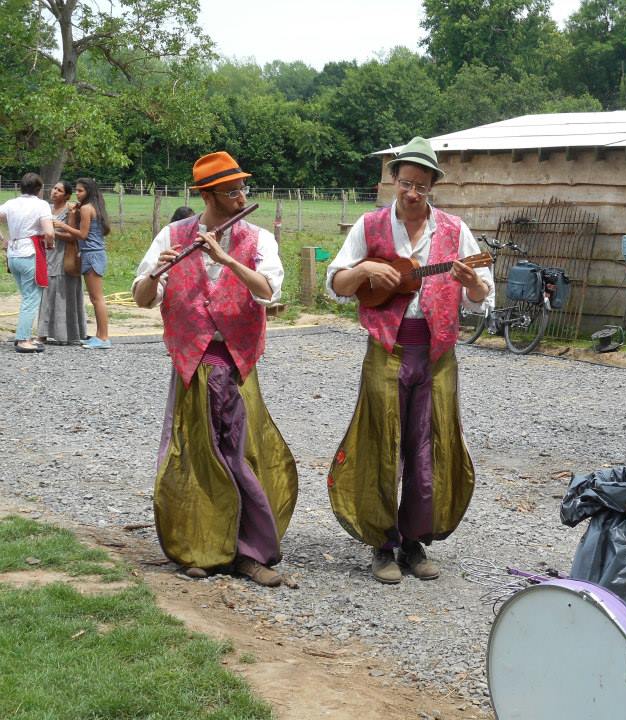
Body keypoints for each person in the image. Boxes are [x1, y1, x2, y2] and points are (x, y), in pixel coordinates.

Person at [326, 136, 494, 584]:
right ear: (393, 181)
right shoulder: (370, 226)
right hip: (385, 349)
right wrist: (363, 270)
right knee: (381, 443)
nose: (412, 193)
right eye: (405, 183)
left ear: (433, 185)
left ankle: (415, 542)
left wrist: (472, 282)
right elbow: (338, 285)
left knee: (428, 450)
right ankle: (382, 545)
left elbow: (481, 297)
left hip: (437, 353)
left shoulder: (456, 232)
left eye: (421, 185)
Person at [132, 150, 298, 588]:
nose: (242, 195)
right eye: (231, 190)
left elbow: (268, 292)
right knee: (195, 458)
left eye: (243, 187)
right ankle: (200, 548)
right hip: (192, 363)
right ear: (207, 195)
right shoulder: (173, 234)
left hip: (237, 364)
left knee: (240, 456)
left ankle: (249, 553)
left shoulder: (258, 239)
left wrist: (226, 260)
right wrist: (158, 272)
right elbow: (141, 298)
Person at [0, 172, 54, 353]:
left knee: (27, 296)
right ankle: (23, 339)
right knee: (31, 298)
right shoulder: (41, 205)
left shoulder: (11, 203)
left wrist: (3, 241)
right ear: (39, 189)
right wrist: (50, 244)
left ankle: (25, 334)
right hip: (30, 251)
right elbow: (49, 232)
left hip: (13, 252)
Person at [54, 177, 111, 349]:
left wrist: (60, 225)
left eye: (80, 191)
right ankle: (99, 335)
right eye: (76, 190)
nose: (77, 194)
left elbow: (83, 235)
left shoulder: (87, 208)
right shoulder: (94, 207)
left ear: (89, 192)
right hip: (93, 254)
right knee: (95, 298)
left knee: (97, 298)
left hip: (92, 255)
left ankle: (103, 338)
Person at [38, 181, 87, 345]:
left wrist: (54, 232)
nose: (55, 192)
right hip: (48, 254)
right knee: (47, 292)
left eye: (59, 190)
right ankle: (43, 332)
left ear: (67, 195)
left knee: (62, 292)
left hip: (64, 255)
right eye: (54, 188)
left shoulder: (70, 210)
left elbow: (73, 236)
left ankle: (66, 333)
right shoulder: (47, 209)